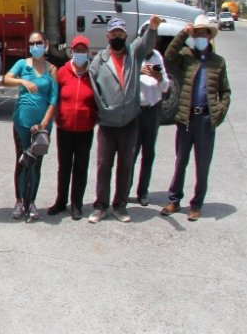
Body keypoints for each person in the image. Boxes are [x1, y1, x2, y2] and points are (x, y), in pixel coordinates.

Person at [87, 15, 163, 223]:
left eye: (121, 33)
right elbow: (95, 89)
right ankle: (100, 205)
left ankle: (120, 205)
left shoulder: (134, 54)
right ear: (107, 35)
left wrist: (153, 27)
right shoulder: (99, 61)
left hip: (129, 122)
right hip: (107, 123)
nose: (117, 36)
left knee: (125, 164)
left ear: (125, 35)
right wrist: (104, 109)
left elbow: (146, 43)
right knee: (104, 164)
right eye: (114, 33)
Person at [161, 14, 231, 221]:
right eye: (197, 34)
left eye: (203, 34)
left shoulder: (218, 62)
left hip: (205, 120)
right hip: (186, 118)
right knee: (180, 161)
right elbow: (168, 55)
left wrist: (219, 111)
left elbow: (225, 91)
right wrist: (183, 33)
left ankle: (196, 204)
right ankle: (174, 200)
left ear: (209, 37)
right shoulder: (186, 56)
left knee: (202, 164)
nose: (200, 37)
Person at [3, 31, 58, 222]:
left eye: (39, 42)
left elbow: (53, 100)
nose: (36, 46)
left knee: (36, 165)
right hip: (21, 123)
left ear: (46, 44)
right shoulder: (22, 65)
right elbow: (5, 79)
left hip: (41, 127)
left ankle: (31, 202)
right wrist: (22, 81)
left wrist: (43, 124)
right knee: (22, 161)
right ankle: (19, 201)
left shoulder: (51, 70)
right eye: (32, 43)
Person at [48, 36, 97, 220]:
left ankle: (77, 204)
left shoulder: (93, 73)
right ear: (71, 51)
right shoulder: (62, 72)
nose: (80, 53)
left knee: (81, 167)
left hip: (85, 128)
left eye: (83, 50)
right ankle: (61, 201)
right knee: (64, 166)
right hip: (65, 127)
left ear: (88, 52)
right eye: (77, 50)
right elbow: (54, 96)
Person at [130, 44, 170, 206]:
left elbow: (166, 85)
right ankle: (125, 190)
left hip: (153, 110)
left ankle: (143, 192)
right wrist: (136, 72)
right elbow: (123, 79)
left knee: (148, 153)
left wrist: (159, 77)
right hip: (136, 110)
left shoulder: (157, 57)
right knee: (131, 153)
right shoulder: (133, 55)